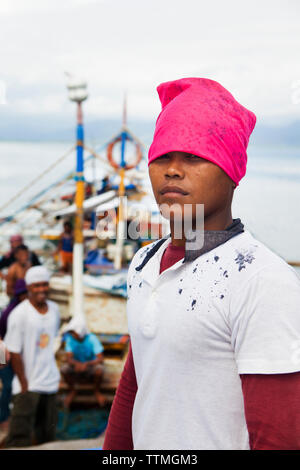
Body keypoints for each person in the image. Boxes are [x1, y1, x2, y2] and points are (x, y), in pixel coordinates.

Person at [103, 77, 300, 450]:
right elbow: (136, 383)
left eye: (194, 156)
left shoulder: (262, 280)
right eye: (163, 155)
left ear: (232, 173)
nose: (172, 170)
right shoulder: (145, 262)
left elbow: (278, 435)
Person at [4, 266, 60, 447]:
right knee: (19, 438)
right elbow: (14, 351)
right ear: (28, 287)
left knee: (47, 437)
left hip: (50, 383)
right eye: (36, 285)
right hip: (28, 386)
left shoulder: (55, 309)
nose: (41, 289)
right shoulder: (19, 314)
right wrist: (24, 384)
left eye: (45, 284)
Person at [0, 280, 28, 433]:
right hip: (4, 351)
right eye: (23, 294)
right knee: (8, 385)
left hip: (17, 353)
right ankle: (3, 418)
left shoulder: (25, 311)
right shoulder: (10, 312)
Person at [61, 317, 106, 408]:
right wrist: (77, 364)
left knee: (99, 370)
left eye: (74, 332)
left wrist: (86, 364)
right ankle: (72, 390)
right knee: (64, 369)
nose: (72, 334)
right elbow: (69, 358)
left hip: (90, 366)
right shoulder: (70, 339)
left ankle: (96, 391)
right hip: (76, 366)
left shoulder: (92, 338)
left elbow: (100, 358)